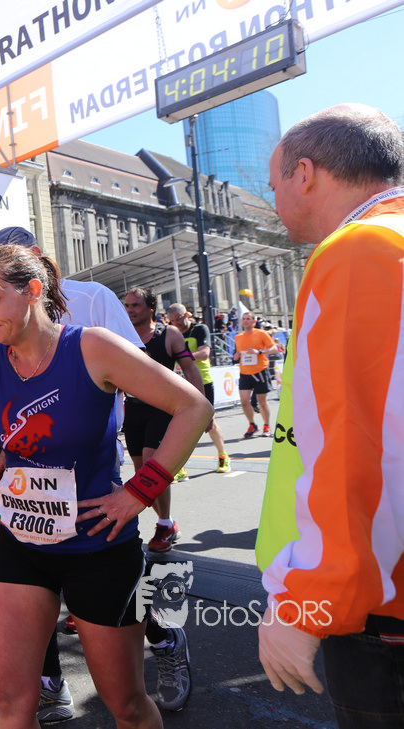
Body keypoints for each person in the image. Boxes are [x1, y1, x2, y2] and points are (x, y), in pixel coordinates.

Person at [0, 244, 212, 729]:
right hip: (22, 543)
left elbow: (194, 408)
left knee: (126, 705)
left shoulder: (92, 347)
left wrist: (140, 491)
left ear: (32, 290)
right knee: (12, 704)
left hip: (100, 547)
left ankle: (166, 642)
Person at [255, 104, 404, 727]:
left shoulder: (358, 249)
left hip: (383, 609)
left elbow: (356, 443)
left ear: (305, 173)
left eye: (274, 184)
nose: (273, 203)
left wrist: (309, 599)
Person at [122, 287, 204, 554]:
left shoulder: (169, 334)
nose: (130, 310)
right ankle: (168, 523)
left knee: (151, 465)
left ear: (150, 308)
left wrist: (202, 408)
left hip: (162, 408)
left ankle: (164, 524)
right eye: (127, 305)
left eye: (135, 305)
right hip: (133, 410)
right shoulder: (121, 334)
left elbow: (190, 368)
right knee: (141, 475)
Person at [167, 303, 230, 473]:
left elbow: (204, 353)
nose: (176, 323)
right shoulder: (171, 332)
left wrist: (183, 358)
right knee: (177, 426)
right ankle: (179, 468)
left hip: (202, 382)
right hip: (181, 384)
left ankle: (223, 455)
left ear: (186, 315)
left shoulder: (200, 329)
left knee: (209, 424)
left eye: (178, 319)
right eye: (172, 320)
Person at [233, 311, 278, 439]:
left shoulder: (261, 333)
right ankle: (252, 424)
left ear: (254, 321)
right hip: (245, 372)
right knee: (244, 401)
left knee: (262, 401)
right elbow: (238, 353)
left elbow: (274, 348)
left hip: (260, 371)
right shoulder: (238, 337)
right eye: (244, 319)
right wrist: (236, 356)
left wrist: (259, 352)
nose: (246, 321)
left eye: (248, 319)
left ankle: (267, 425)